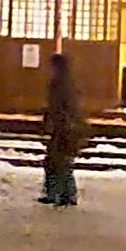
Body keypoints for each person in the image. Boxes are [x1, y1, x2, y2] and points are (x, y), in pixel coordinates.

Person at [39, 52, 89, 208]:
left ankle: (61, 194)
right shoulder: (67, 84)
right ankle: (62, 193)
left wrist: (53, 124)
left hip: (64, 129)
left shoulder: (60, 85)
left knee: (58, 162)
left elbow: (59, 109)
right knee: (58, 163)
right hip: (65, 128)